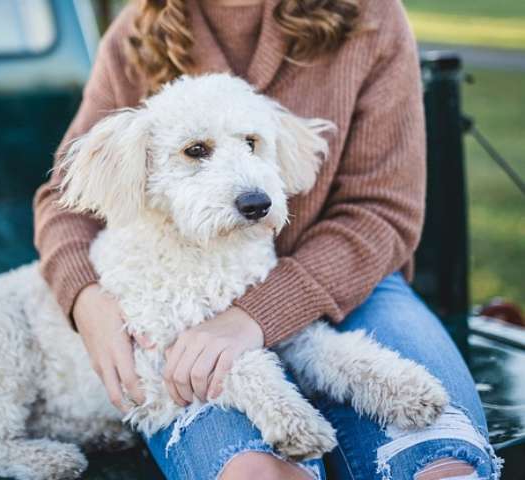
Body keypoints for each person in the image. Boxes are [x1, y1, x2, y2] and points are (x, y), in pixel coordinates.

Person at [33, 0, 502, 478]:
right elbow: (63, 200)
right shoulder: (139, 28)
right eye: (197, 151)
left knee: (442, 462)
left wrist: (258, 314)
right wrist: (86, 299)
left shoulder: (372, 16)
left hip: (356, 281)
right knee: (259, 472)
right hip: (183, 298)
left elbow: (384, 211)